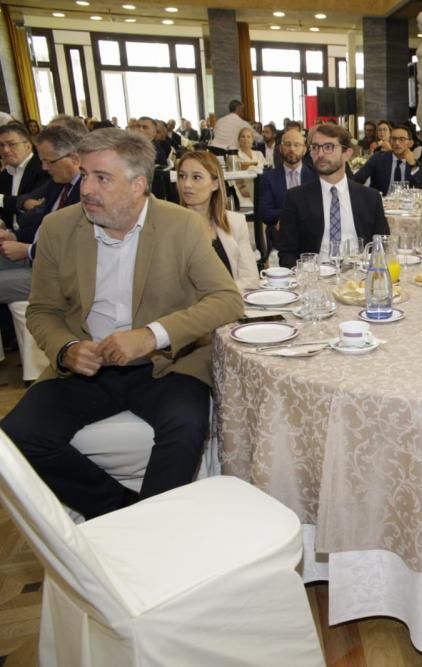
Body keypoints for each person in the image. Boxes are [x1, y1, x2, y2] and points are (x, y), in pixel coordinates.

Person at [0, 128, 243, 520]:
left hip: (166, 366)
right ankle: (127, 515)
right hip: (87, 365)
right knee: (14, 439)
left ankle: (150, 532)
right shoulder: (59, 229)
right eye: (85, 175)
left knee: (185, 426)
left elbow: (227, 299)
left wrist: (152, 335)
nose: (86, 189)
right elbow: (42, 311)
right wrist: (66, 349)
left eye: (102, 178)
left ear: (138, 186)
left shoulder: (181, 226)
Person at [276, 124, 389, 268]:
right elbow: (286, 254)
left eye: (328, 147)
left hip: (358, 279)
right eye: (315, 147)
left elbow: (383, 247)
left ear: (347, 154)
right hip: (315, 279)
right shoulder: (296, 198)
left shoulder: (370, 198)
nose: (320, 154)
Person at [0, 125, 84, 305]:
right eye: (42, 160)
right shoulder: (58, 183)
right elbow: (41, 223)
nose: (44, 167)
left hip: (58, 273)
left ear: (75, 159)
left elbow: (75, 243)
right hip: (37, 256)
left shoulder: (87, 191)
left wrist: (27, 250)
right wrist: (13, 235)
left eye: (49, 161)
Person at [176, 151, 258, 292]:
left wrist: (221, 297)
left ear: (214, 184)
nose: (186, 184)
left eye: (196, 177)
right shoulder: (170, 226)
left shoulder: (235, 222)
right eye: (182, 176)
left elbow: (250, 278)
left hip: (228, 305)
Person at [258, 127, 314, 228]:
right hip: (279, 236)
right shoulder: (268, 178)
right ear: (280, 148)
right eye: (287, 144)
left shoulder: (314, 177)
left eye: (297, 145)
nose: (292, 149)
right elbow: (265, 214)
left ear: (305, 150)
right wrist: (295, 213)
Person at [0, 122, 50, 230]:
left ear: (28, 146)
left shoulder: (43, 169)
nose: (5, 150)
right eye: (1, 145)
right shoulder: (4, 174)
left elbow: (33, 206)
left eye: (11, 144)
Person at [353, 124, 422, 195]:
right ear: (390, 141)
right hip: (381, 204)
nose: (397, 143)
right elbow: (356, 180)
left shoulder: (415, 163)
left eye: (402, 139)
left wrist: (413, 166)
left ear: (410, 143)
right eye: (394, 139)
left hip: (406, 204)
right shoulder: (378, 158)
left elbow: (419, 188)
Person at [233, 126, 265, 209]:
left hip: (261, 188)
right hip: (244, 190)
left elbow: (265, 170)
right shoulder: (235, 156)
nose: (246, 139)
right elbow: (235, 178)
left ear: (252, 139)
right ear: (239, 139)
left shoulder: (259, 154)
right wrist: (242, 189)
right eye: (243, 137)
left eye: (248, 137)